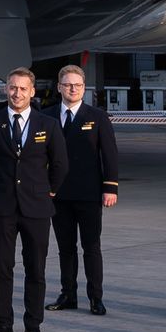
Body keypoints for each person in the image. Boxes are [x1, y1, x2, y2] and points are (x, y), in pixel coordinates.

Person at [0, 68, 66, 332]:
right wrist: (0, 190)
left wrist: (49, 190)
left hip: (37, 207)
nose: (17, 93)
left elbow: (60, 164)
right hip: (2, 207)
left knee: (36, 269)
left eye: (23, 88)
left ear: (32, 91)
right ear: (6, 89)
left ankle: (33, 326)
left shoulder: (48, 124)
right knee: (2, 269)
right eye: (13, 87)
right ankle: (3, 326)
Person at [50, 66, 121, 315]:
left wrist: (110, 187)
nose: (73, 89)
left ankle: (95, 298)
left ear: (83, 88)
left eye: (78, 85)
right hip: (58, 194)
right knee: (65, 248)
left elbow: (109, 154)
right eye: (68, 84)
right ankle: (68, 294)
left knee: (91, 247)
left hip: (89, 193)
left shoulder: (97, 116)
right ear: (59, 87)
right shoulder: (46, 116)